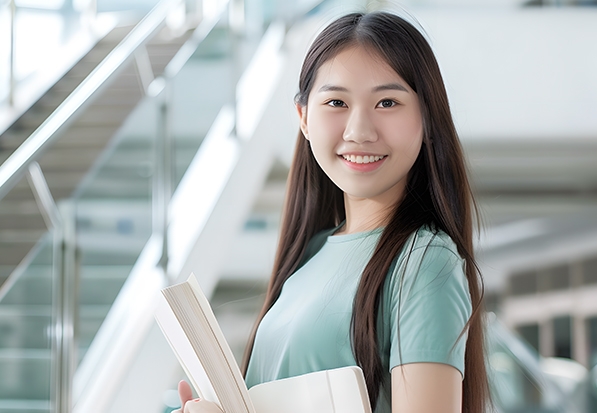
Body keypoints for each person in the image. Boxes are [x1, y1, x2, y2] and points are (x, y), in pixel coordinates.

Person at [175, 10, 489, 413]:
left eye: (387, 102)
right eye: (337, 102)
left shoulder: (424, 262)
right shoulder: (310, 254)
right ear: (304, 117)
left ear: (427, 118)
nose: (360, 130)